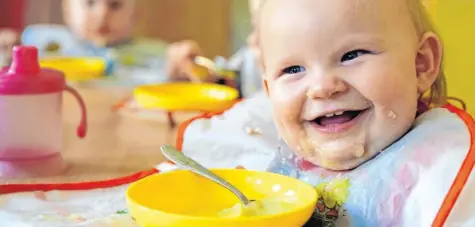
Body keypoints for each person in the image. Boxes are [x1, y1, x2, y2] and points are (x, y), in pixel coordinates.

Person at [167, 0, 475, 226]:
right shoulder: (264, 153)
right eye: (293, 69)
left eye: (352, 55)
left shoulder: (443, 171)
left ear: (421, 63)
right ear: (269, 90)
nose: (322, 87)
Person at [0, 0, 167, 80]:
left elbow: (166, 79)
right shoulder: (38, 41)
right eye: (90, 3)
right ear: (67, 9)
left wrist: (177, 67)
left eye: (115, 5)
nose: (102, 14)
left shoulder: (152, 52)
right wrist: (7, 51)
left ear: (135, 14)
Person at [165, 0, 264, 98]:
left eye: (264, 29)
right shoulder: (248, 59)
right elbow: (230, 79)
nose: (252, 40)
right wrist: (197, 74)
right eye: (253, 27)